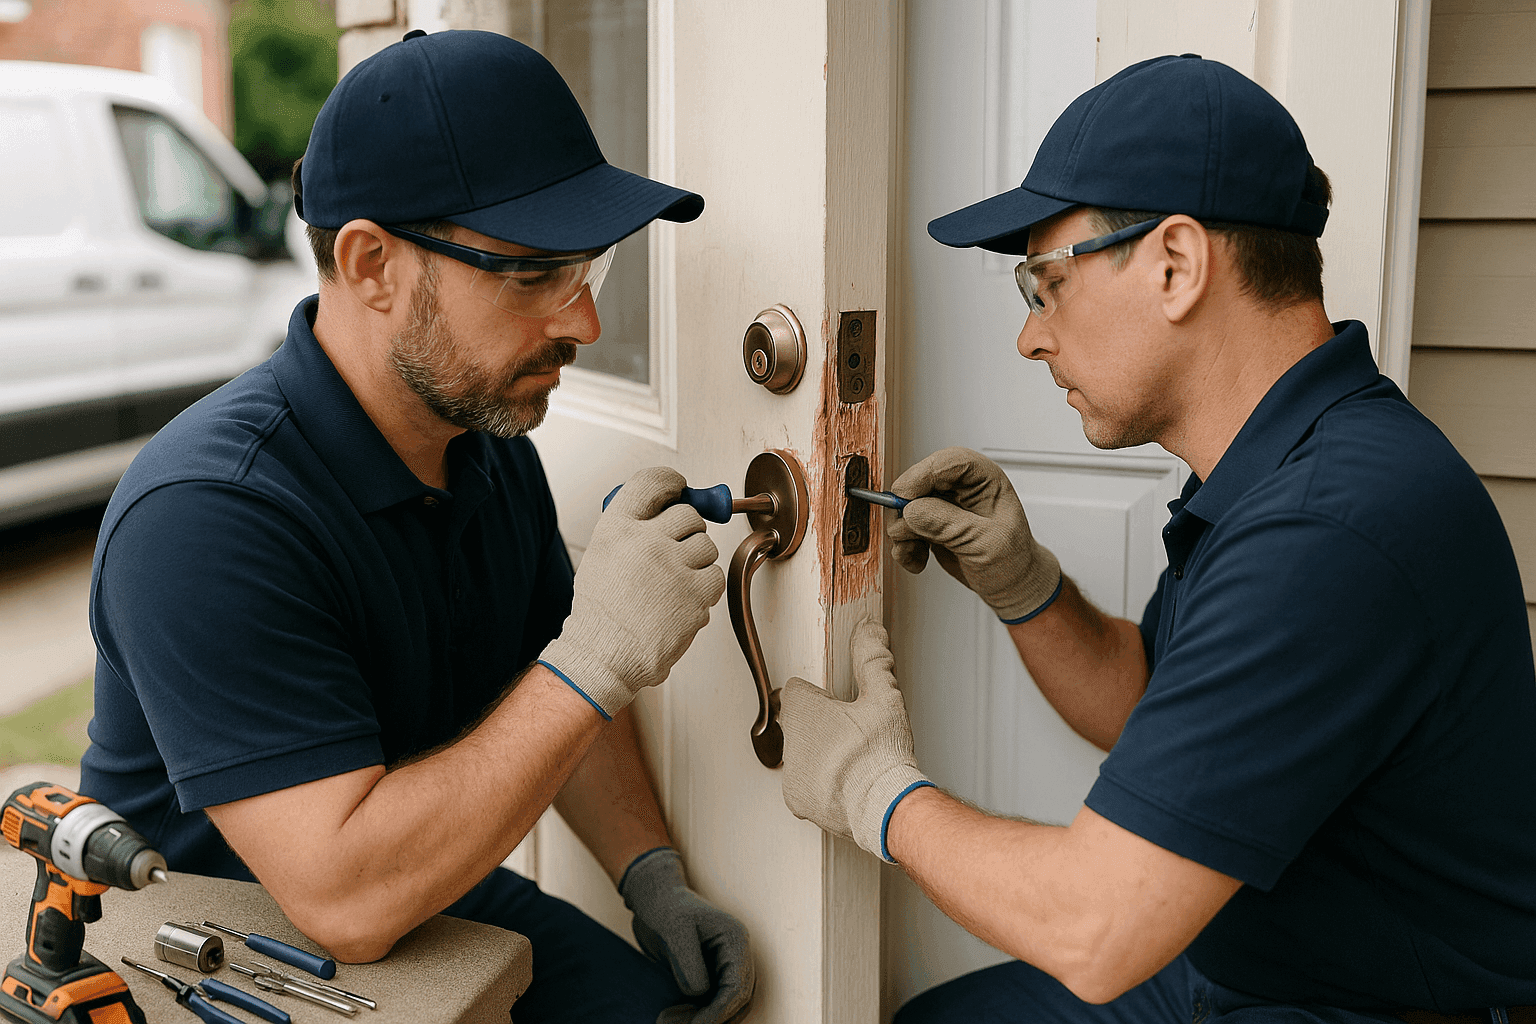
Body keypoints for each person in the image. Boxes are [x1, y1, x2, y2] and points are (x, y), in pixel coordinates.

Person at [776, 54, 1536, 1024]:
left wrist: (869, 787)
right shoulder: (1279, 461)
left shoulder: (1331, 526)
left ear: (1176, 264)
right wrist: (1024, 583)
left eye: (1045, 282)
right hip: (1236, 964)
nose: (1032, 337)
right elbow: (1146, 698)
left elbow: (1095, 929)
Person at [80, 30, 753, 1024]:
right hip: (213, 952)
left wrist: (648, 872)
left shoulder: (482, 446)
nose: (583, 324)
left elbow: (554, 662)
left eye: (587, 271)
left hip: (423, 890)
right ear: (372, 264)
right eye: (533, 277)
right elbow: (343, 895)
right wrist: (601, 657)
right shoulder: (210, 514)